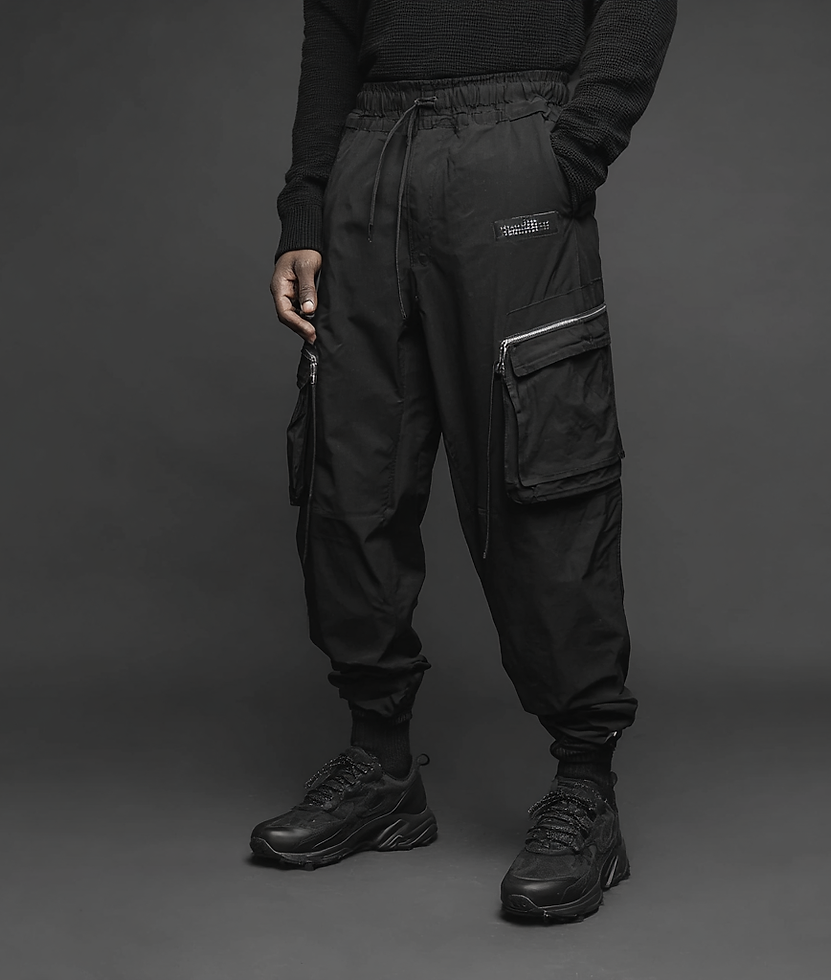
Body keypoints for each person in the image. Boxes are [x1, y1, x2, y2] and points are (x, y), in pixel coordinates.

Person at [251, 0, 677, 922]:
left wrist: (573, 149)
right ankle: (380, 769)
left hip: (516, 150)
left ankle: (586, 785)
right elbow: (333, 21)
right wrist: (307, 203)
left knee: (540, 464)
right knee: (348, 465)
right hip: (367, 160)